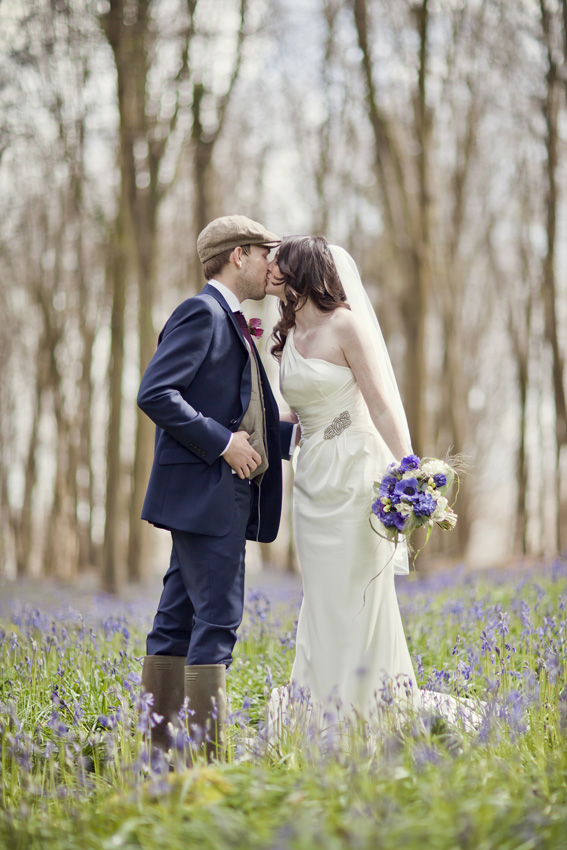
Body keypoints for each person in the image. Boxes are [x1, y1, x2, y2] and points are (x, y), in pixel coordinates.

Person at [265, 236, 479, 734]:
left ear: (303, 271)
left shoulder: (346, 324)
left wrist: (409, 468)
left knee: (356, 590)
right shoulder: (289, 332)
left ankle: (368, 708)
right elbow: (293, 413)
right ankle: (323, 704)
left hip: (355, 474)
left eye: (280, 264)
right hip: (311, 477)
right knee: (320, 595)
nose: (271, 271)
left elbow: (381, 403)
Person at [137, 215, 296, 757]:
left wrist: (313, 433)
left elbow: (238, 410)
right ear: (239, 255)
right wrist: (224, 444)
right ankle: (206, 763)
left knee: (178, 618)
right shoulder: (201, 313)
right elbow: (157, 393)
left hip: (207, 493)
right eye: (266, 254)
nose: (272, 265)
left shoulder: (227, 319)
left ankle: (159, 757)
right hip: (210, 490)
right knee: (219, 620)